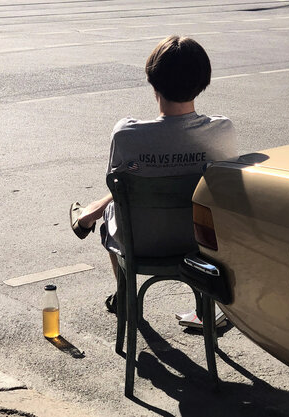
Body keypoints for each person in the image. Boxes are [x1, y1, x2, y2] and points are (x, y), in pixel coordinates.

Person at [69, 35, 237, 325]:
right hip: (201, 245)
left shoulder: (127, 134)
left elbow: (123, 187)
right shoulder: (222, 131)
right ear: (203, 81)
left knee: (117, 203)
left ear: (153, 81)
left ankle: (126, 297)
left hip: (141, 245)